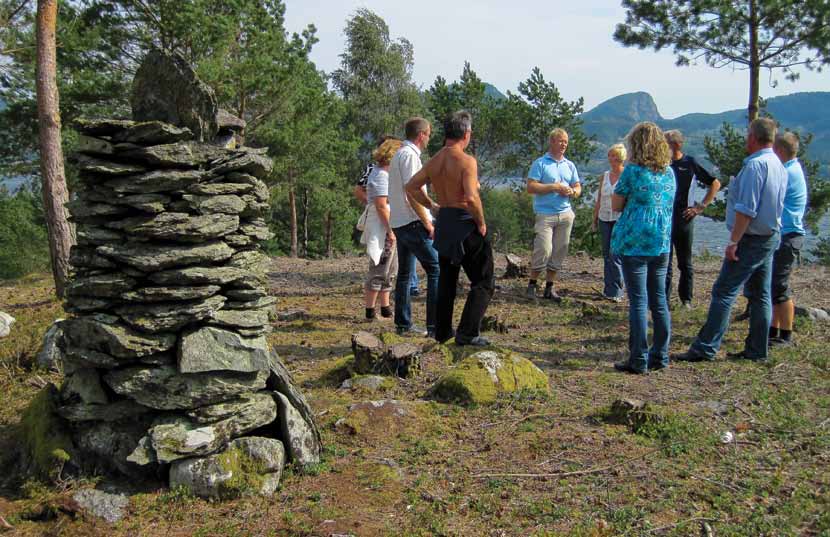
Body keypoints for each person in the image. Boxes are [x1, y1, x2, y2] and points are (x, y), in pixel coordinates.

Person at [674, 118, 787, 363]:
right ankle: (757, 349)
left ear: (754, 138)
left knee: (724, 291)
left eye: (748, 134)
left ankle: (705, 348)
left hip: (752, 238)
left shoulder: (756, 166)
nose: (746, 138)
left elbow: (747, 209)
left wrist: (734, 241)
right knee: (760, 293)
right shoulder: (778, 164)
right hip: (770, 236)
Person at [407, 111, 494, 346]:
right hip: (465, 223)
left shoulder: (435, 160)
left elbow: (412, 187)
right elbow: (472, 197)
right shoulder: (466, 161)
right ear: (466, 134)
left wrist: (433, 207)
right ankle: (467, 333)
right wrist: (481, 222)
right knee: (484, 281)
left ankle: (442, 332)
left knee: (447, 282)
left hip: (444, 222)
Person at [610, 122, 676, 374]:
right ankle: (661, 355)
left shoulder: (633, 171)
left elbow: (616, 205)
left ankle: (638, 358)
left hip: (635, 243)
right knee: (659, 299)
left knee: (638, 301)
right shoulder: (669, 173)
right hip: (661, 243)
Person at [388, 117, 439, 337]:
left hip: (400, 221)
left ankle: (403, 324)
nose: (429, 138)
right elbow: (413, 191)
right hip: (413, 222)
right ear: (421, 135)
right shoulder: (409, 156)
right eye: (428, 134)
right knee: (436, 269)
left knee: (405, 274)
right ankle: (434, 326)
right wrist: (428, 220)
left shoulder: (399, 154)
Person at [663, 130, 721, 308]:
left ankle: (686, 299)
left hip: (684, 218)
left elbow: (715, 183)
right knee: (665, 261)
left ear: (677, 145)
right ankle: (663, 300)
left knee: (684, 262)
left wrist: (699, 207)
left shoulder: (690, 163)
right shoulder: (662, 164)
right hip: (664, 218)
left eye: (666, 144)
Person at [525, 128, 581, 302]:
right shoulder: (540, 163)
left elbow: (578, 187)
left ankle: (550, 287)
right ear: (552, 142)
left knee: (559, 250)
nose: (564, 144)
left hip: (565, 214)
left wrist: (572, 191)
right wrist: (553, 187)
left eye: (565, 141)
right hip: (545, 214)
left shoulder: (569, 165)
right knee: (543, 248)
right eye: (560, 141)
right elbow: (531, 187)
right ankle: (532, 284)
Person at [767, 132, 808, 346]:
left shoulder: (786, 173)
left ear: (780, 151)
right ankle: (773, 330)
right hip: (788, 234)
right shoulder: (793, 168)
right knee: (775, 284)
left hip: (788, 235)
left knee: (780, 285)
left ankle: (786, 335)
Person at [361, 138, 403, 321]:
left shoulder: (383, 174)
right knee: (379, 268)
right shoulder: (381, 176)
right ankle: (370, 311)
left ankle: (385, 307)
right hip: (382, 228)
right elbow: (381, 206)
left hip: (387, 226)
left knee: (390, 269)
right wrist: (390, 230)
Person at [592, 143, 626, 302]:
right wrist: (594, 219)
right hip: (604, 218)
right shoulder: (604, 176)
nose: (612, 159)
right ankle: (608, 289)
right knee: (606, 254)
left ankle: (618, 290)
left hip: (620, 219)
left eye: (615, 156)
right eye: (610, 156)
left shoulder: (626, 175)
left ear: (621, 158)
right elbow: (599, 199)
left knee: (616, 254)